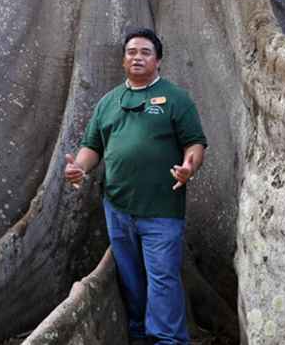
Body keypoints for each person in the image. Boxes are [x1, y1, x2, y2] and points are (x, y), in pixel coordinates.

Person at [64, 28, 207, 345]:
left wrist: (188, 168)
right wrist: (79, 168)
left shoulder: (175, 99)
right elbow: (93, 147)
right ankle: (139, 336)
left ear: (158, 60)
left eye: (144, 52)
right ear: (123, 59)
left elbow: (195, 144)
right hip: (117, 208)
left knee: (163, 278)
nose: (137, 57)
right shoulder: (109, 102)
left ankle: (168, 340)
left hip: (161, 211)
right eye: (131, 51)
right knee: (130, 278)